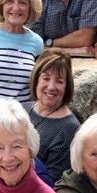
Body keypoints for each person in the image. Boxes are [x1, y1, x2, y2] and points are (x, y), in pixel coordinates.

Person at [22, 49, 80, 183]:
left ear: (67, 86)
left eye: (59, 81)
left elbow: (52, 181)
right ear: (36, 79)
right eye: (46, 78)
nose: (51, 87)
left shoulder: (69, 128)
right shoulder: (22, 109)